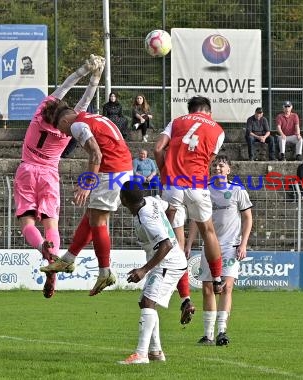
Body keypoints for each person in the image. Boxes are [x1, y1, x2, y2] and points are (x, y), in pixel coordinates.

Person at [14, 54, 105, 298]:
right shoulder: (67, 131)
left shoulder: (38, 117)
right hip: (49, 175)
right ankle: (52, 254)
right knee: (50, 224)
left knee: (27, 223)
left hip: (26, 171)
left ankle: (41, 247)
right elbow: (83, 107)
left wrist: (83, 70)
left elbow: (63, 88)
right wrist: (96, 78)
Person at [40, 93, 134, 296]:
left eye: (61, 129)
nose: (64, 135)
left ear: (65, 120)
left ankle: (105, 272)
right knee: (92, 217)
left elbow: (96, 153)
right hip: (122, 168)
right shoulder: (91, 117)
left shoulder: (76, 125)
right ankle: (67, 260)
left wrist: (87, 183)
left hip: (111, 171)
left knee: (98, 221)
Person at [153, 95, 226, 295]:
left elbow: (158, 148)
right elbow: (208, 161)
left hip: (172, 184)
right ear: (208, 112)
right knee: (208, 231)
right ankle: (218, 279)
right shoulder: (218, 130)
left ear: (190, 111)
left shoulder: (176, 122)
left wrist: (164, 173)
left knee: (175, 238)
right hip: (197, 184)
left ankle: (183, 294)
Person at [117, 181, 187, 365]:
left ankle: (141, 354)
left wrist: (143, 270)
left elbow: (166, 244)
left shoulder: (146, 217)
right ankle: (155, 352)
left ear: (124, 200)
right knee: (145, 302)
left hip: (169, 262)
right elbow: (171, 208)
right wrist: (167, 229)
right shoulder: (151, 201)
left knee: (148, 301)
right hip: (167, 261)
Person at [185, 155, 253, 346]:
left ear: (229, 170)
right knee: (207, 288)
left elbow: (248, 217)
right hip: (209, 246)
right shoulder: (204, 190)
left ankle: (222, 331)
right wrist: (189, 243)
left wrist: (244, 244)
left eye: (221, 166)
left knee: (227, 287)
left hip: (231, 246)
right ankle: (208, 334)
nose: (217, 169)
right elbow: (196, 221)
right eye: (215, 166)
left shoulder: (238, 190)